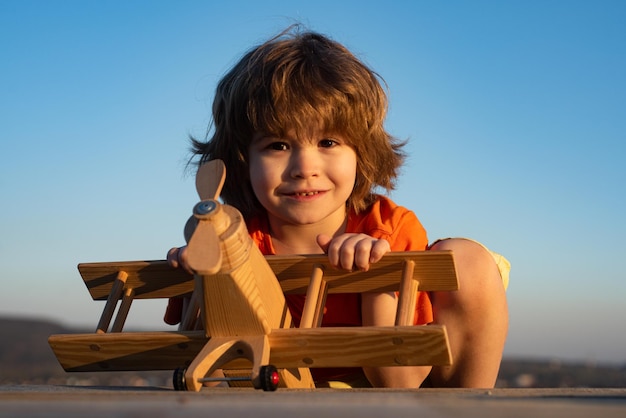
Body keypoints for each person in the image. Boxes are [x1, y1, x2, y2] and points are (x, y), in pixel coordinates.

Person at [165, 26, 509, 388]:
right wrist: (203, 281)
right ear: (240, 160)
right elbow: (217, 374)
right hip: (286, 386)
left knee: (467, 259)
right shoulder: (239, 242)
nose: (305, 168)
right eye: (278, 145)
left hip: (401, 388)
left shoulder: (388, 228)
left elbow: (398, 382)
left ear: (363, 152)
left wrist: (374, 278)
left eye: (328, 141)